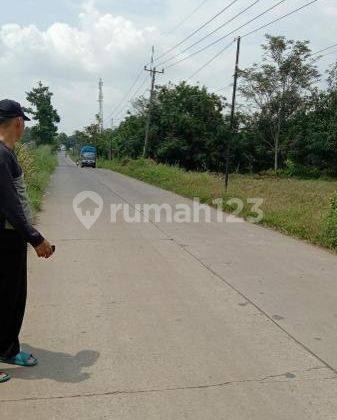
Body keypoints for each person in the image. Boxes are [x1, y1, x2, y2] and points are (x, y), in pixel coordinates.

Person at [0, 99, 54, 383]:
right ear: (18, 122)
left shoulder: (6, 154)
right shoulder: (1, 154)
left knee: (12, 297)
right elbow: (10, 205)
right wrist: (36, 239)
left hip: (10, 238)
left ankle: (8, 349)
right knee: (4, 298)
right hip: (5, 238)